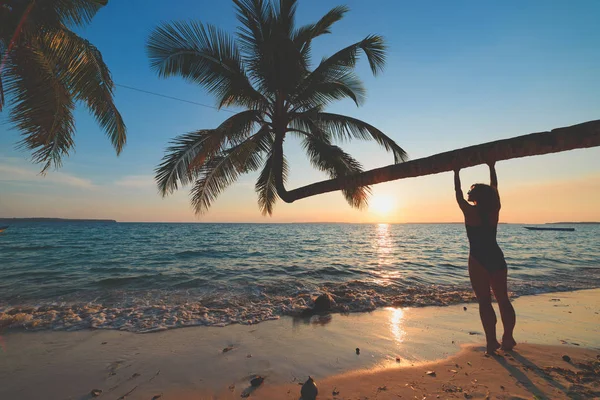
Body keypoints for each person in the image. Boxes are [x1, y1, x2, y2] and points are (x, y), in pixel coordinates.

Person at [454, 161, 516, 354]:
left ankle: (491, 342)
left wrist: (456, 172)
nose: (468, 193)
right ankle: (508, 338)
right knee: (503, 299)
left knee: (484, 301)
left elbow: (457, 193)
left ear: (478, 196)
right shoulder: (494, 209)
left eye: (472, 191)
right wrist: (491, 167)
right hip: (496, 256)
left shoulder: (469, 211)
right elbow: (495, 189)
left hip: (478, 259)